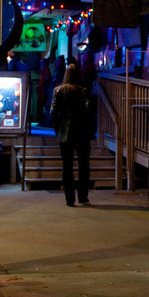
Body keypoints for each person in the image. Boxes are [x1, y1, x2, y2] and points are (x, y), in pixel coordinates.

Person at [50, 61, 93, 207]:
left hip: (65, 130)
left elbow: (53, 111)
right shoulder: (83, 90)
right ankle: (83, 196)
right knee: (84, 165)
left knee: (67, 166)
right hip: (82, 130)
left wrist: (58, 128)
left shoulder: (58, 90)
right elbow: (88, 111)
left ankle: (70, 199)